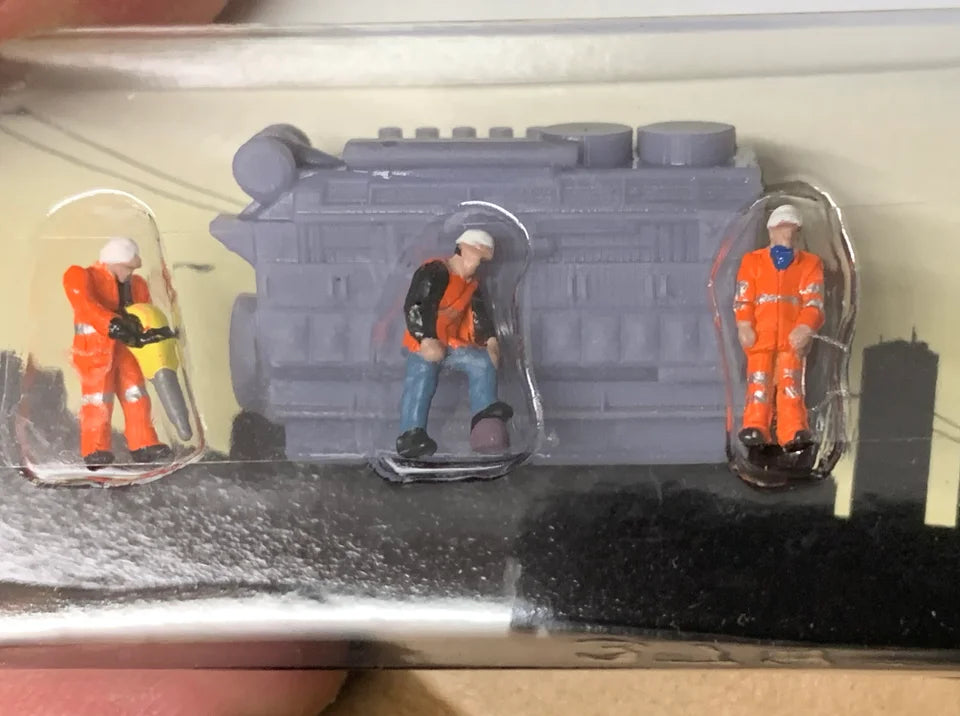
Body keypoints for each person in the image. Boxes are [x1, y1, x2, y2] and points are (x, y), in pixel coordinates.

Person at [397, 228, 513, 458]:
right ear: (462, 249)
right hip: (422, 342)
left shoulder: (472, 285)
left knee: (482, 363)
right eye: (478, 256)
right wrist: (426, 338)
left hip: (451, 343)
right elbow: (417, 305)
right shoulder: (435, 271)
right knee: (421, 377)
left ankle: (485, 421)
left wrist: (490, 340)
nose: (479, 264)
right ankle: (411, 434)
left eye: (483, 260)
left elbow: (479, 315)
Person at [62, 237, 174, 467]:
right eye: (127, 268)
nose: (131, 273)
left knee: (136, 394)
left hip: (126, 350)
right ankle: (95, 449)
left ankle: (143, 443)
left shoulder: (137, 285)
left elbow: (144, 313)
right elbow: (85, 305)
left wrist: (151, 334)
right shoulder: (81, 275)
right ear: (114, 262)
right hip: (94, 352)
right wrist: (113, 324)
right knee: (97, 399)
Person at [734, 204, 825, 452]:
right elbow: (743, 298)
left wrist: (805, 327)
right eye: (783, 228)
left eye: (793, 229)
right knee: (759, 382)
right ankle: (755, 425)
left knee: (791, 383)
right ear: (771, 231)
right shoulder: (752, 262)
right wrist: (744, 324)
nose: (788, 234)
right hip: (760, 336)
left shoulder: (810, 264)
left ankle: (793, 429)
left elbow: (814, 303)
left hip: (791, 338)